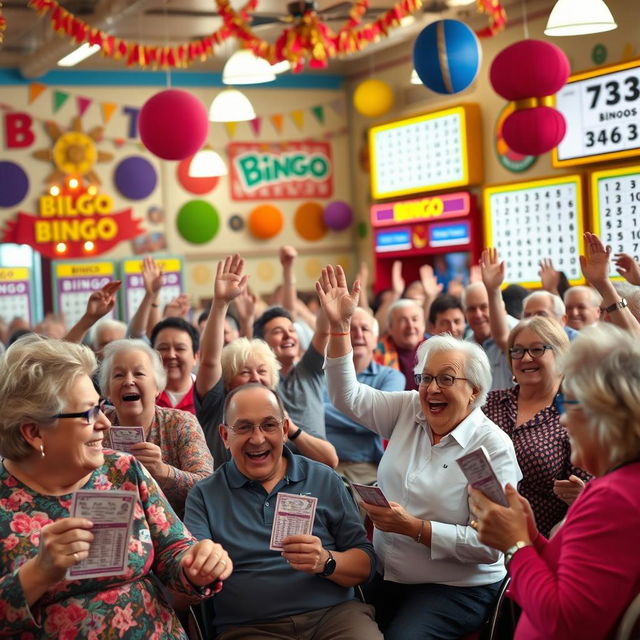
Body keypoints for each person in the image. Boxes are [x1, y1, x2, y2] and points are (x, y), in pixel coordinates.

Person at [318, 265, 522, 640]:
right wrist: (340, 327)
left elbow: (491, 545)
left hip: (456, 588)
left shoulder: (488, 447)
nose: (431, 390)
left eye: (446, 379)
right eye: (426, 377)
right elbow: (346, 396)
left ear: (475, 391)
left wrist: (416, 529)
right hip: (387, 574)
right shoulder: (409, 409)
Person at [0, 335, 231, 639]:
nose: (105, 424)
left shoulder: (122, 470)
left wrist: (196, 565)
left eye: (100, 407)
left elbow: (174, 548)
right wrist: (37, 573)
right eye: (88, 414)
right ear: (33, 432)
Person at [469, 323, 640, 639]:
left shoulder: (616, 498)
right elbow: (569, 574)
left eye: (569, 403)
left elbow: (565, 624)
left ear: (604, 412)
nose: (562, 418)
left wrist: (514, 545)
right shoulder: (615, 486)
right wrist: (529, 534)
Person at [184, 384, 382, 640]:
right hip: (250, 628)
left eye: (268, 425)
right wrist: (202, 566)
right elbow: (190, 576)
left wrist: (326, 561)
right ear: (224, 436)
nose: (257, 439)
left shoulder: (323, 479)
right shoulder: (204, 495)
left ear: (285, 429)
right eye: (244, 427)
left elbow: (365, 564)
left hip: (334, 617)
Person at [196, 255, 336, 469]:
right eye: (244, 372)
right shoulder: (216, 403)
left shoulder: (278, 417)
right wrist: (221, 303)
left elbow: (329, 460)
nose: (255, 378)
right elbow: (209, 361)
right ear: (227, 381)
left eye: (262, 371)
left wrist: (291, 429)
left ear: (272, 381)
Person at [482, 316, 591, 537]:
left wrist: (584, 496)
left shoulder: (576, 417)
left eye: (537, 349)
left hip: (541, 546)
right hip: (477, 540)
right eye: (518, 351)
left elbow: (586, 496)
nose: (526, 358)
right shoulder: (488, 403)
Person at [99, 339, 213, 517]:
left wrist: (162, 471)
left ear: (157, 387)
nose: (129, 381)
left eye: (139, 373)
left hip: (177, 532)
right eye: (119, 375)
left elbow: (208, 486)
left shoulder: (181, 423)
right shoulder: (98, 427)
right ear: (108, 392)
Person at [324, 306, 405, 485]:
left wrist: (322, 412)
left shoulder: (391, 377)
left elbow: (381, 419)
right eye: (351, 329)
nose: (358, 334)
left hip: (366, 469)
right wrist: (361, 416)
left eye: (365, 329)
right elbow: (308, 417)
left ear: (375, 340)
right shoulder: (323, 375)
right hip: (321, 464)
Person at [463, 282, 517, 390]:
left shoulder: (518, 333)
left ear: (499, 307)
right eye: (472, 309)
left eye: (484, 307)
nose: (478, 314)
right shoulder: (465, 349)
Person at [150, 316, 200, 415]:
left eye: (180, 348)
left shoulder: (205, 396)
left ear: (195, 356)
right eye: (163, 348)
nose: (171, 355)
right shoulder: (144, 394)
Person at [374, 299, 426, 390]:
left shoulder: (435, 349)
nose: (410, 326)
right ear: (390, 328)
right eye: (403, 320)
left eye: (415, 319)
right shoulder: (377, 353)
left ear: (423, 325)